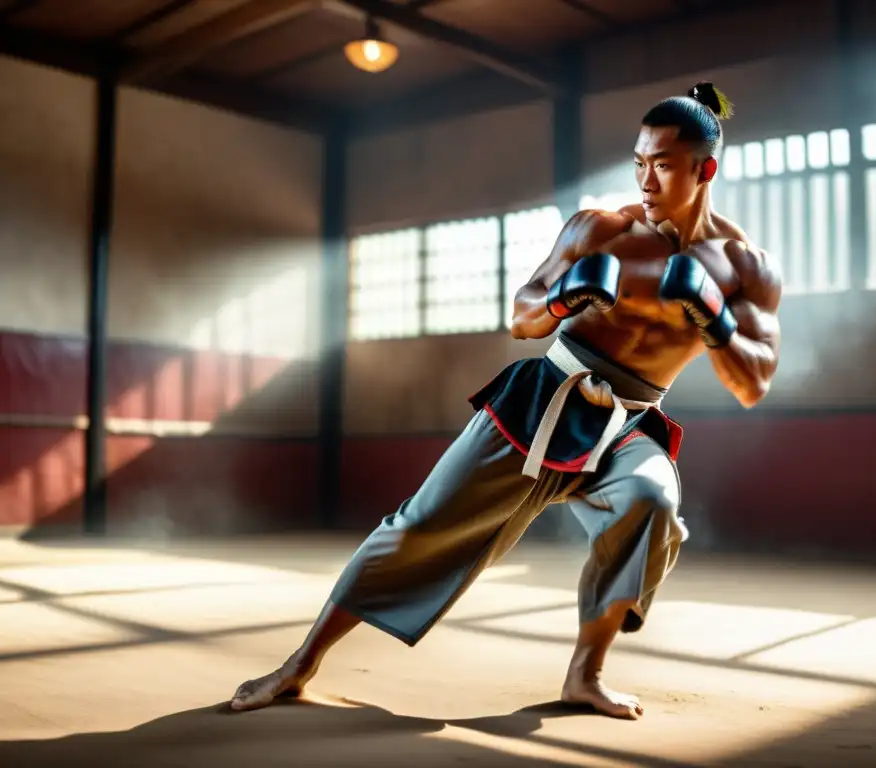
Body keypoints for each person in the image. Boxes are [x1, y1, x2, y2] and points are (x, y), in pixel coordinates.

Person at [230, 81, 782, 720]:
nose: (646, 179)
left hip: (631, 422)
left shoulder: (745, 268)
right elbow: (521, 316)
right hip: (545, 398)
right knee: (420, 527)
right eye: (638, 162)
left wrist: (714, 321)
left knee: (653, 502)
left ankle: (586, 674)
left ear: (704, 169)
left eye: (661, 164)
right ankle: (299, 664)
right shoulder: (599, 228)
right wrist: (561, 298)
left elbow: (753, 381)